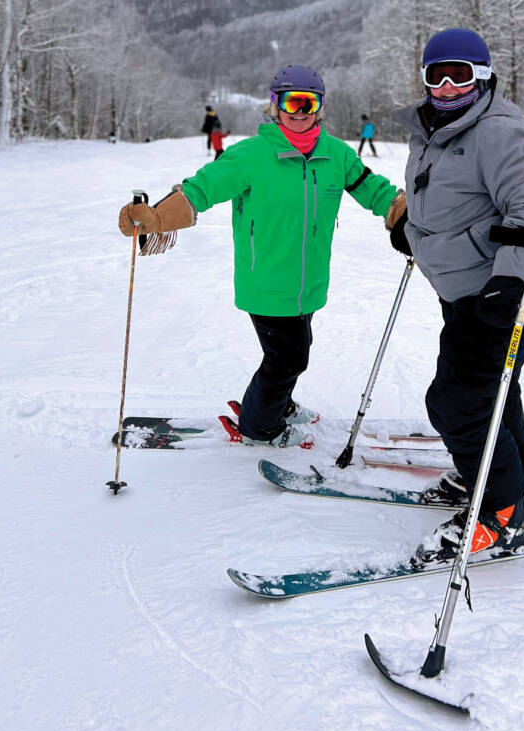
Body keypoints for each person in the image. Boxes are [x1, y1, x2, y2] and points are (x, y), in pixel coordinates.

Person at [119, 64, 405, 447]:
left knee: (294, 350)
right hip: (266, 282)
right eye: (292, 102)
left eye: (309, 102)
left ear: (320, 106)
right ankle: (260, 425)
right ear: (275, 105)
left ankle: (278, 404)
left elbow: (373, 189)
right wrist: (156, 217)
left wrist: (405, 210)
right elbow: (201, 189)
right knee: (287, 359)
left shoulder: (336, 155)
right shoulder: (250, 156)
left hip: (309, 282)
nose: (300, 111)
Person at [388, 28, 524, 565]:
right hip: (466, 289)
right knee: (488, 391)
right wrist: (410, 231)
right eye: (433, 74)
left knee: (456, 401)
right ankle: (514, 479)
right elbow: (447, 203)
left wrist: (506, 284)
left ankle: (506, 513)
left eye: (458, 73)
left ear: (482, 75)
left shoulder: (498, 131)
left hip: (506, 289)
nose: (444, 84)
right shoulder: (432, 130)